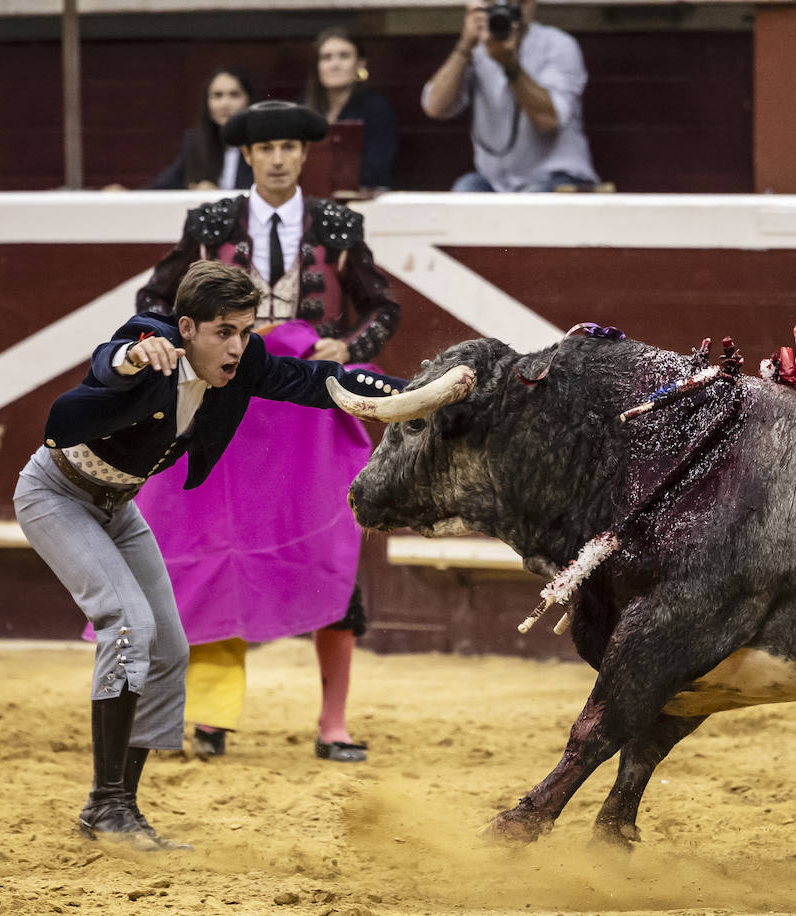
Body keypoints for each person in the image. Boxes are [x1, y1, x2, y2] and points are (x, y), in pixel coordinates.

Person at [13, 261, 402, 849]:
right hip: (55, 494)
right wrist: (136, 355)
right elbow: (110, 358)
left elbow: (323, 381)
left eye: (246, 331)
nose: (237, 346)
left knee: (169, 645)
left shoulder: (245, 367)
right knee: (128, 625)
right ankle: (107, 804)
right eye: (224, 331)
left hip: (118, 508)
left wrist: (406, 396)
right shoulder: (153, 341)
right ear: (188, 327)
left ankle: (118, 808)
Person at [135, 100, 400, 764]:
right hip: (231, 402)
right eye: (267, 148)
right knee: (219, 548)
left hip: (307, 415)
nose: (279, 157)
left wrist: (344, 344)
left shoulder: (338, 224)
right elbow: (154, 301)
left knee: (328, 550)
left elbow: (383, 306)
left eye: (290, 147)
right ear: (248, 157)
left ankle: (333, 723)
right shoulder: (209, 223)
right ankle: (213, 718)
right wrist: (181, 349)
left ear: (305, 155)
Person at [421, 0, 599, 192]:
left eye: (519, 3)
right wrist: (465, 45)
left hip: (556, 176)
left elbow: (549, 120)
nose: (508, 13)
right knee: (465, 189)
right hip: (494, 182)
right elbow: (435, 107)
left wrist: (509, 65)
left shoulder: (558, 45)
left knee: (532, 201)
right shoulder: (477, 49)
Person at [303, 27, 399, 190]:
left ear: (360, 63)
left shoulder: (376, 108)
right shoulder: (302, 109)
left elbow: (378, 168)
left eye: (344, 56)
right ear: (317, 65)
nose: (335, 64)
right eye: (326, 58)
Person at [148, 67, 257, 191]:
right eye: (217, 96)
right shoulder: (195, 143)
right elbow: (164, 186)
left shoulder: (262, 143)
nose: (224, 104)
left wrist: (215, 195)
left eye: (234, 95)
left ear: (249, 100)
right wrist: (128, 194)